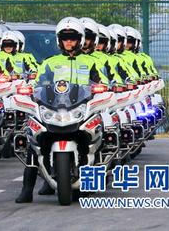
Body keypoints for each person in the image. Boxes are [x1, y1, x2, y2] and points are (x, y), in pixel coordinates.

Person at [15, 17, 107, 203]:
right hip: (54, 108)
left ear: (80, 40)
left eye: (73, 38)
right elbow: (38, 83)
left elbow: (102, 82)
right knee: (34, 140)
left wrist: (103, 89)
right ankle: (27, 189)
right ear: (59, 40)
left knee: (97, 140)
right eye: (65, 38)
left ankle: (94, 180)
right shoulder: (50, 63)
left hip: (82, 108)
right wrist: (30, 89)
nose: (69, 42)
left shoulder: (91, 62)